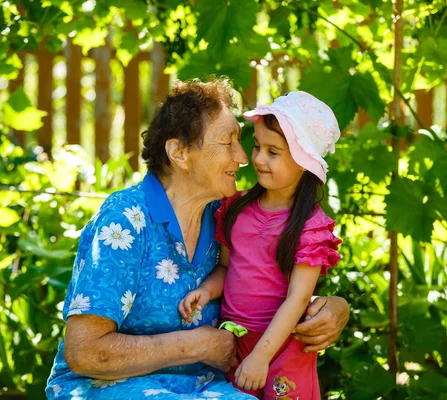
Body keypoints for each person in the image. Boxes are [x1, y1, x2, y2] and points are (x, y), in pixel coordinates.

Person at [45, 79, 350, 399]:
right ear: (179, 153)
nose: (244, 157)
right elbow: (85, 353)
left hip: (201, 385)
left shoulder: (223, 213)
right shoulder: (124, 221)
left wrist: (335, 309)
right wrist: (194, 346)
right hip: (108, 385)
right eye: (228, 142)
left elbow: (275, 284)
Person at [179, 91, 342, 400]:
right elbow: (227, 268)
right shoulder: (236, 208)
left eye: (273, 152)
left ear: (303, 161)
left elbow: (298, 298)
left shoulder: (310, 226)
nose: (257, 159)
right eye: (257, 147)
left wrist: (262, 356)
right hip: (236, 342)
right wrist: (207, 291)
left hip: (283, 347)